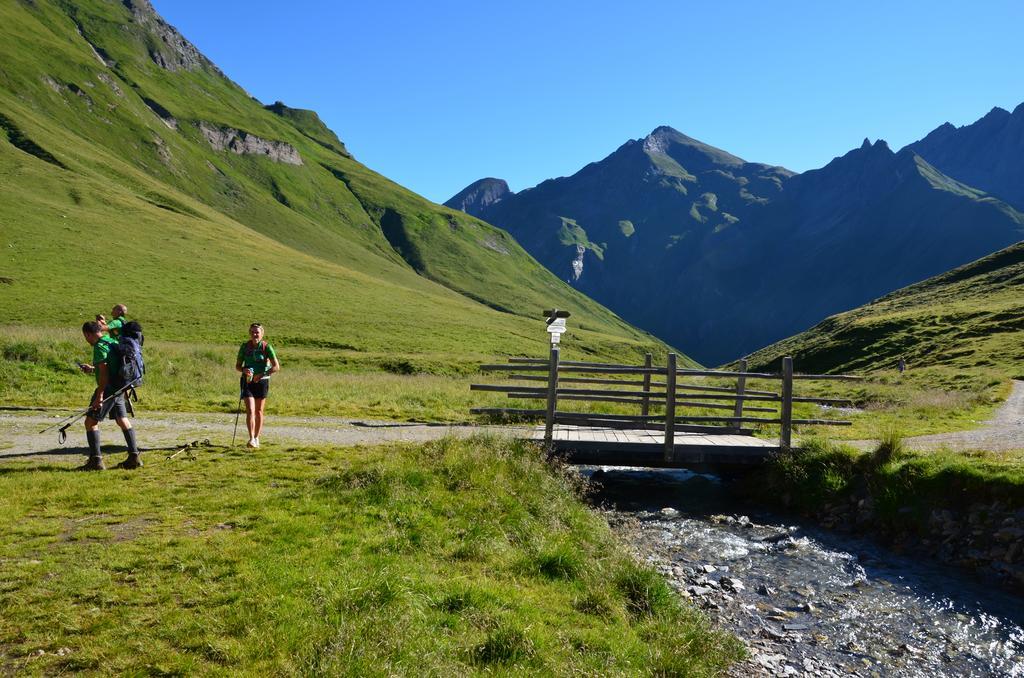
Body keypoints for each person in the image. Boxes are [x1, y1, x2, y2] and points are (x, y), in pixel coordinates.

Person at [79, 321, 142, 470]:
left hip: (108, 389)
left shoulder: (99, 347)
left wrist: (99, 396)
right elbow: (111, 366)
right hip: (120, 387)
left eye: (85, 336)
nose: (86, 339)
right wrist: (93, 369)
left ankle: (96, 461)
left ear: (88, 334)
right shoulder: (112, 341)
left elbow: (105, 374)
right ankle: (134, 457)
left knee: (90, 422)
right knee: (122, 419)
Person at [235, 323, 280, 448]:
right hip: (247, 381)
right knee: (250, 410)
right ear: (250, 333)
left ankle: (256, 437)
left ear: (262, 334)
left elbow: (276, 367)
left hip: (262, 381)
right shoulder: (244, 347)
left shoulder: (267, 347)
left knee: (259, 411)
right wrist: (244, 370)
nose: (255, 334)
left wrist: (262, 374)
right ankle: (251, 439)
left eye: (257, 332)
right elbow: (238, 366)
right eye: (253, 332)